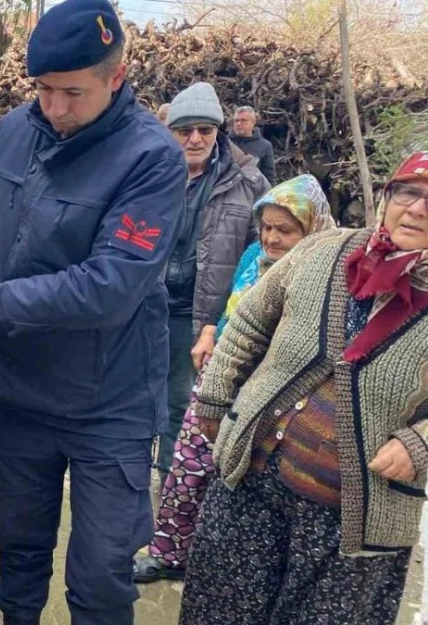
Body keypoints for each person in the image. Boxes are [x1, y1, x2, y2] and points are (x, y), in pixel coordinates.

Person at [0, 0, 188, 623]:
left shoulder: (152, 158)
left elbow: (111, 284)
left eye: (73, 91)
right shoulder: (16, 129)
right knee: (17, 549)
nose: (55, 107)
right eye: (43, 89)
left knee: (100, 578)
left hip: (109, 401)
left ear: (116, 77)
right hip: (23, 389)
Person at [178, 151, 428, 625]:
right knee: (218, 609)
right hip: (249, 481)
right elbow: (251, 319)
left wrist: (417, 445)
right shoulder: (326, 249)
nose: (415, 209)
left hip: (350, 518)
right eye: (408, 192)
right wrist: (216, 393)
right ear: (388, 196)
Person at [132, 174, 335, 583]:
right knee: (188, 469)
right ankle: (169, 553)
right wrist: (211, 330)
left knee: (239, 487)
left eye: (285, 230)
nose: (272, 239)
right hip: (220, 380)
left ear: (311, 229)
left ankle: (224, 573)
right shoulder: (251, 258)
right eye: (267, 227)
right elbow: (230, 308)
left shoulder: (326, 276)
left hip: (273, 400)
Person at [157, 82, 270, 477]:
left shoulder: (248, 183)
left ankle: (167, 496)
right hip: (144, 311)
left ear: (218, 130)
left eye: (205, 129)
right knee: (131, 405)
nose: (195, 139)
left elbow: (263, 258)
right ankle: (126, 496)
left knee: (180, 407)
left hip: (200, 318)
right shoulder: (147, 174)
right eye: (184, 130)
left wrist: (220, 323)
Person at [231, 105, 276, 183]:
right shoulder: (223, 142)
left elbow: (269, 177)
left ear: (253, 122)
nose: (238, 124)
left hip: (253, 192)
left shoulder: (265, 146)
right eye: (236, 120)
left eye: (243, 120)